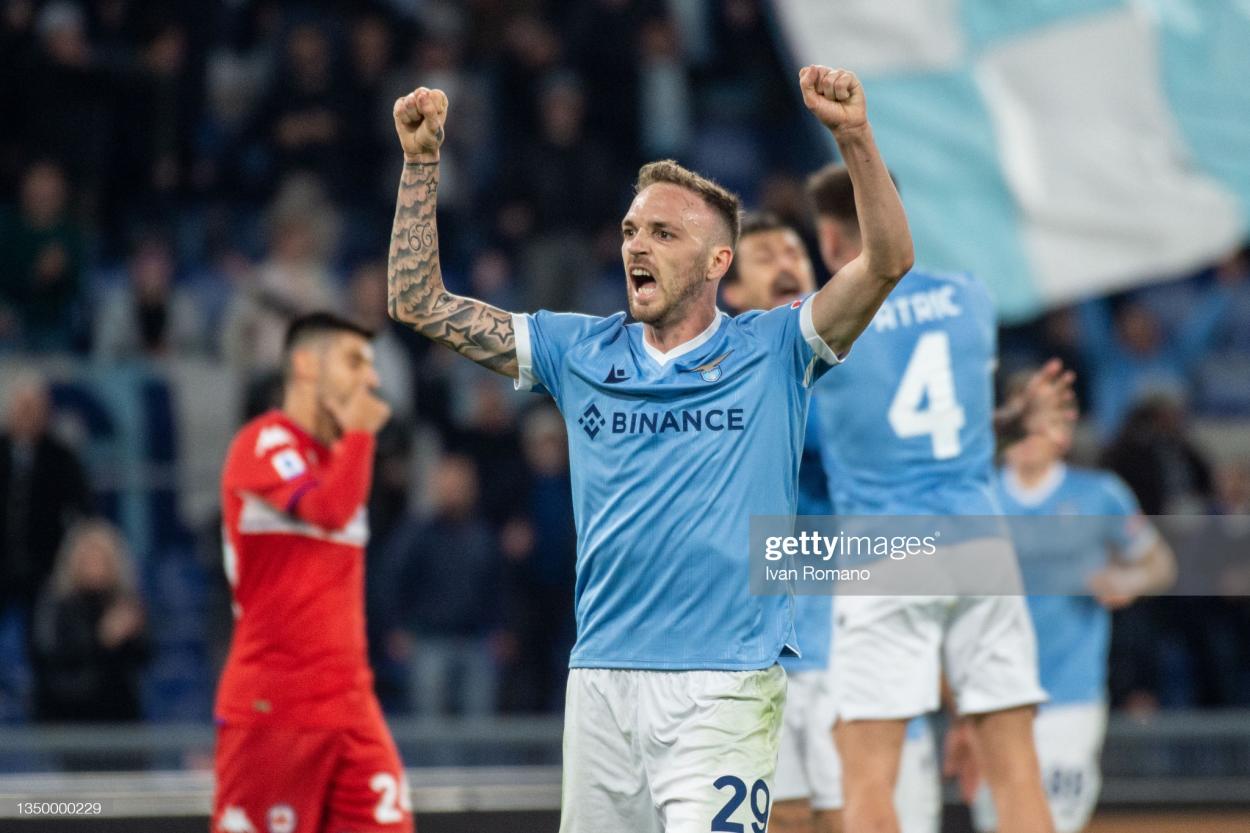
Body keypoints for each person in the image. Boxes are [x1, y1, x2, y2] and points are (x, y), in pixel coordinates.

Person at [387, 67, 915, 832]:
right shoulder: (579, 349)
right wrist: (421, 164)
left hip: (723, 686)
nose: (639, 243)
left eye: (665, 232)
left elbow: (888, 261)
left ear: (716, 264)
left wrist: (855, 139)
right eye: (633, 229)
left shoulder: (774, 348)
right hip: (600, 682)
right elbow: (418, 302)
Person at [807, 163, 1072, 833]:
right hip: (980, 541)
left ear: (835, 240)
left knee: (868, 773)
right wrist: (1015, 421)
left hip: (885, 550)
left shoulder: (818, 325)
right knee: (1015, 768)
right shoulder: (970, 298)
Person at [721, 212, 941, 833]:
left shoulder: (858, 370)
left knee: (853, 818)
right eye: (763, 255)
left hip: (844, 647)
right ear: (731, 290)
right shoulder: (715, 379)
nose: (786, 260)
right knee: (783, 821)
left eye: (794, 248)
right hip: (753, 653)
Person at [213, 312, 412, 833]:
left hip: (350, 702)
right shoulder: (262, 444)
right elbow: (328, 510)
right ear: (305, 365)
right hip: (274, 705)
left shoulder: (340, 457)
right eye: (354, 362)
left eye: (370, 365)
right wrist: (364, 436)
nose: (370, 379)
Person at [970, 379, 1175, 833]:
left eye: (1036, 426)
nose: (1024, 439)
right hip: (992, 695)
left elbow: (1160, 562)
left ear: (1062, 432)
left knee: (1053, 822)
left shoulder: (1099, 496)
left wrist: (1131, 578)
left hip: (1069, 697)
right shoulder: (975, 497)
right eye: (1016, 425)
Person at [0, 372, 92, 647]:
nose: (28, 415)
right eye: (22, 407)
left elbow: (82, 510)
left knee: (42, 641)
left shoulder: (61, 457)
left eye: (34, 408)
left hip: (43, 564)